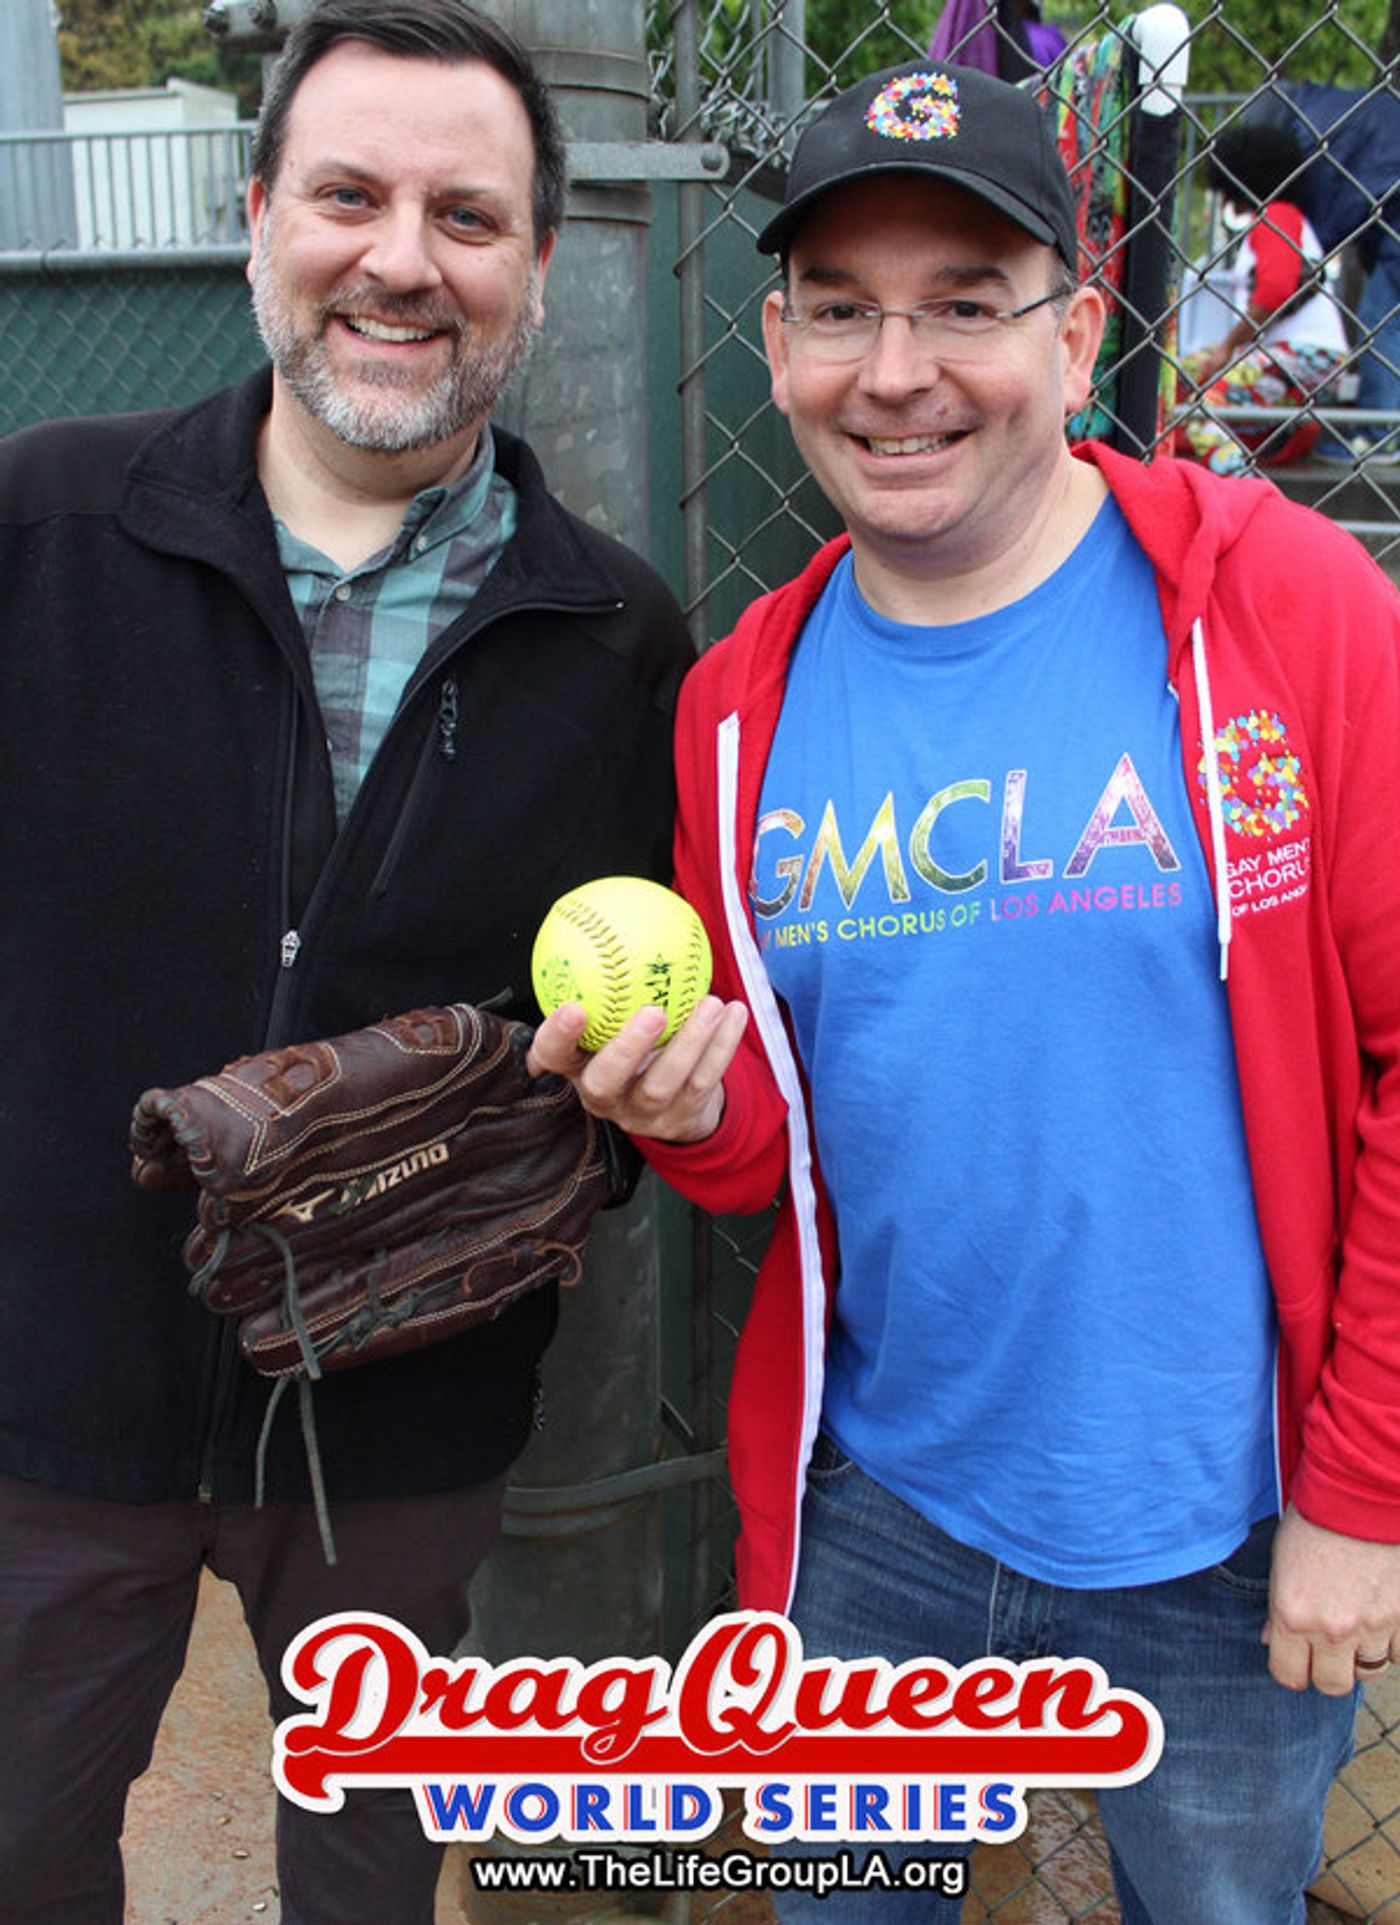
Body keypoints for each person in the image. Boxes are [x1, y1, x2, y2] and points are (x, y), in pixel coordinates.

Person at [530, 57, 1400, 1924]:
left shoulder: (1277, 606)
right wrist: (683, 1107)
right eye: (842, 308)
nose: (897, 371)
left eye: (965, 305)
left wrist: (1359, 1492)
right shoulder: (740, 708)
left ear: (1075, 339)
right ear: (776, 346)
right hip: (883, 1514)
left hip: (1227, 1529)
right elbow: (762, 1156)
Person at [0, 4, 692, 1922]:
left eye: (466, 216)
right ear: (257, 221)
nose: (402, 259)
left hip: (398, 1400)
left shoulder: (618, 637)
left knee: (373, 1866)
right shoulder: (41, 528)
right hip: (57, 1388)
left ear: (535, 266)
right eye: (348, 196)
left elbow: (627, 1083)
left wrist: (605, 1132)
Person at [1178, 121, 1348, 474]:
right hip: (1293, 355)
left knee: (1202, 410)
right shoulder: (1277, 219)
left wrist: (1227, 347)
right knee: (1183, 373)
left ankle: (1244, 488)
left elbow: (1275, 290)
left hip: (1302, 354)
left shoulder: (1276, 216)